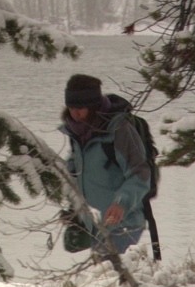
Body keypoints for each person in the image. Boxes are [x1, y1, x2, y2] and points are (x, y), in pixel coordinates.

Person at [59, 74, 151, 259]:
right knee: (104, 280)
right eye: (71, 107)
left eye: (81, 108)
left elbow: (140, 173)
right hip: (96, 225)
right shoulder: (76, 133)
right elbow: (76, 172)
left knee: (109, 276)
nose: (75, 113)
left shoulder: (118, 129)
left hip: (125, 222)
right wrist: (74, 209)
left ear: (93, 106)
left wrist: (121, 203)